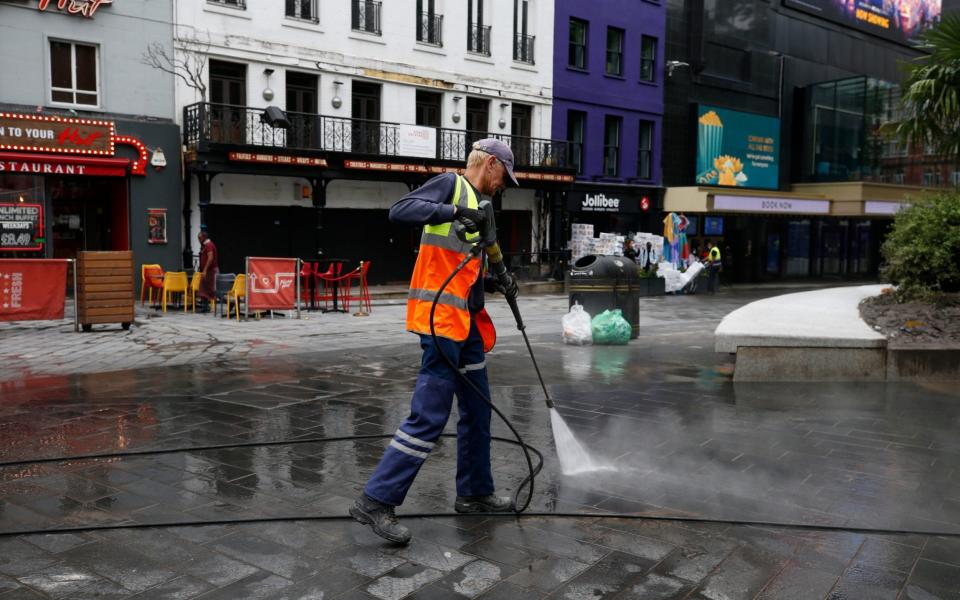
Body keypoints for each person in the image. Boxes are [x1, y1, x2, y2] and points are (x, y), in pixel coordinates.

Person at [350, 138, 520, 545]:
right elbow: (400, 211)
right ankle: (376, 501)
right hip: (440, 319)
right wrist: (454, 210)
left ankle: (475, 493)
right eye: (504, 176)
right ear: (491, 164)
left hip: (469, 325)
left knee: (478, 411)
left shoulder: (487, 208)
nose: (504, 185)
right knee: (428, 416)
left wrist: (501, 278)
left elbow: (486, 251)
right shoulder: (450, 185)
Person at [197, 230, 218, 312]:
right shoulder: (206, 245)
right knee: (203, 288)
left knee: (213, 289)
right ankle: (205, 307)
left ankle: (229, 302)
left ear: (204, 237)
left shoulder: (209, 245)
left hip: (210, 271)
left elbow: (210, 258)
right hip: (207, 271)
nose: (198, 240)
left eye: (199, 238)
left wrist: (205, 270)